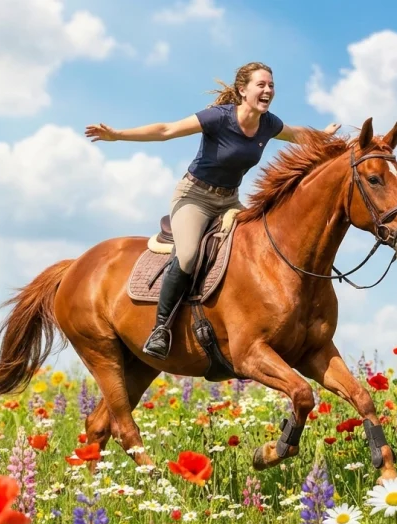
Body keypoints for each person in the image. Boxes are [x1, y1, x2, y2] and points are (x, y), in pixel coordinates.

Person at [84, 62, 340, 360]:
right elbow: (167, 130)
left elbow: (296, 134)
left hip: (229, 201)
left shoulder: (268, 124)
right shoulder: (219, 118)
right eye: (262, 85)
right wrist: (118, 135)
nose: (268, 90)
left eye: (271, 85)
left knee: (261, 245)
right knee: (189, 254)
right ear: (243, 90)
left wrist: (323, 134)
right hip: (194, 197)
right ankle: (161, 328)